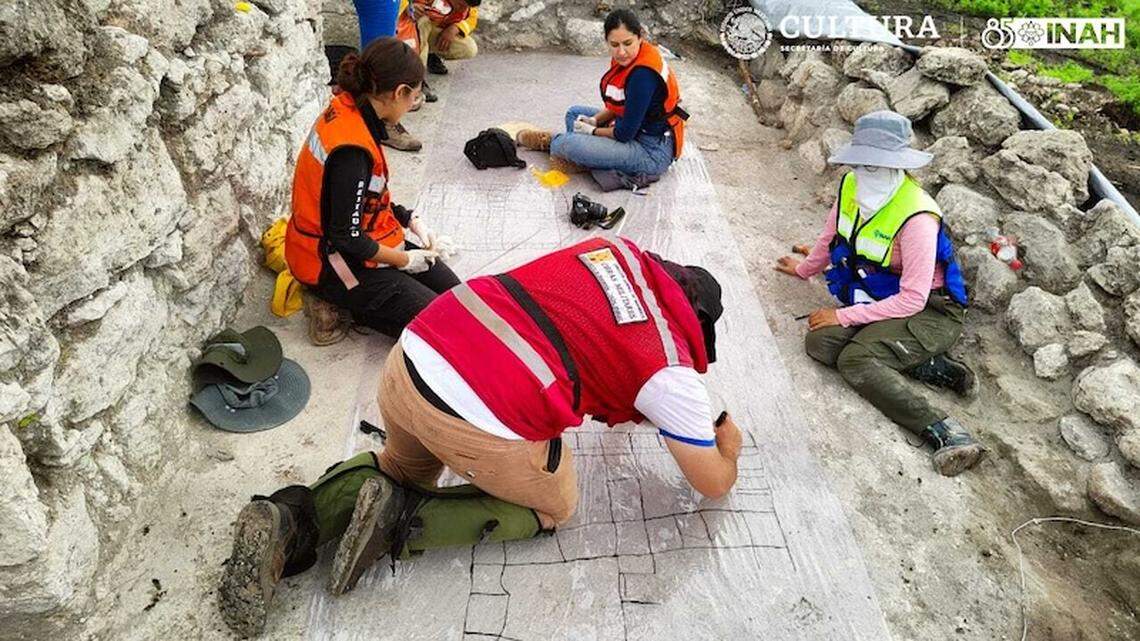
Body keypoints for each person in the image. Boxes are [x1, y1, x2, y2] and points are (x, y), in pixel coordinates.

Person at [218, 236, 742, 636]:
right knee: (556, 507)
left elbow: (596, 339)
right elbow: (712, 482)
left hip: (412, 359)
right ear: (696, 324)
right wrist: (729, 451)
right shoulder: (668, 367)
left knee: (401, 464)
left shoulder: (612, 250)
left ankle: (292, 519)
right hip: (473, 418)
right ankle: (405, 516)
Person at [775, 110, 984, 477]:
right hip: (884, 297)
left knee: (855, 361)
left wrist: (843, 316)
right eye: (861, 163)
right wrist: (805, 268)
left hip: (932, 311)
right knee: (821, 344)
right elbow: (831, 236)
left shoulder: (917, 216)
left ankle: (944, 431)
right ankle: (933, 367)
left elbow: (914, 299)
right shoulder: (852, 186)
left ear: (898, 166)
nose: (865, 172)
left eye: (876, 164)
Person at [287, 38, 460, 346]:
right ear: (399, 93)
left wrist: (410, 219)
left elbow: (364, 199)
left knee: (458, 298)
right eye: (414, 97)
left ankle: (368, 296)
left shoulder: (353, 110)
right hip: (333, 263)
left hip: (361, 240)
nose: (411, 106)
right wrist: (403, 261)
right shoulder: (351, 151)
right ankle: (335, 302)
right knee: (438, 328)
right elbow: (346, 236)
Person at [516, 8, 688, 178]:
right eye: (614, 45)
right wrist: (595, 120)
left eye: (628, 43)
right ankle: (583, 157)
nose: (621, 51)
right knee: (574, 114)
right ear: (607, 41)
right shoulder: (629, 58)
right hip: (633, 129)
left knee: (565, 143)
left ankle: (553, 142)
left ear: (640, 37)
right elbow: (623, 104)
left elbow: (624, 134)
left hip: (651, 151)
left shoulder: (643, 74)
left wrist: (591, 131)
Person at [413, 0, 480, 76]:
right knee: (423, 21)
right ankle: (416, 71)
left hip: (437, 32)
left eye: (465, 8)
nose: (462, 10)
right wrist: (412, 8)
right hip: (415, 31)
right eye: (460, 5)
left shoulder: (466, 7)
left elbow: (472, 19)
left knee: (469, 48)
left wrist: (455, 28)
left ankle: (431, 54)